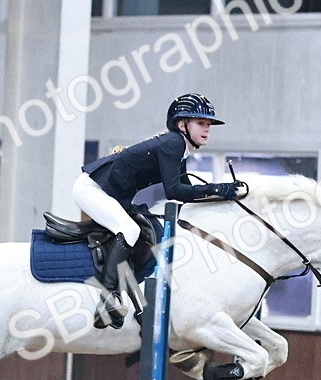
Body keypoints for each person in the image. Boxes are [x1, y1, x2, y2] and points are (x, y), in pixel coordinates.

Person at [75, 93, 244, 328]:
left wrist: (223, 197)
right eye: (201, 123)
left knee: (143, 228)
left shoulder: (179, 148)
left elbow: (188, 191)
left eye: (209, 124)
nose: (207, 129)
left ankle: (133, 298)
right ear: (181, 125)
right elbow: (174, 190)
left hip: (113, 193)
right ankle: (106, 298)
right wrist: (220, 188)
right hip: (91, 189)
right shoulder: (173, 143)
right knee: (129, 230)